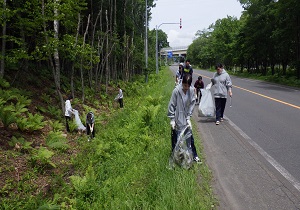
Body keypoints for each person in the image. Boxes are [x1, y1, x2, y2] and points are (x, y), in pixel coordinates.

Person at [167, 74, 201, 163]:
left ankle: (194, 156)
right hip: (177, 118)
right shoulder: (176, 91)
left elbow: (192, 104)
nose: (186, 87)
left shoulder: (191, 91)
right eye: (184, 85)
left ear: (190, 85)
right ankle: (176, 157)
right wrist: (172, 119)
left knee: (190, 137)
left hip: (185, 119)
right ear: (182, 83)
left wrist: (189, 118)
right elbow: (172, 105)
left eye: (188, 85)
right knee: (176, 139)